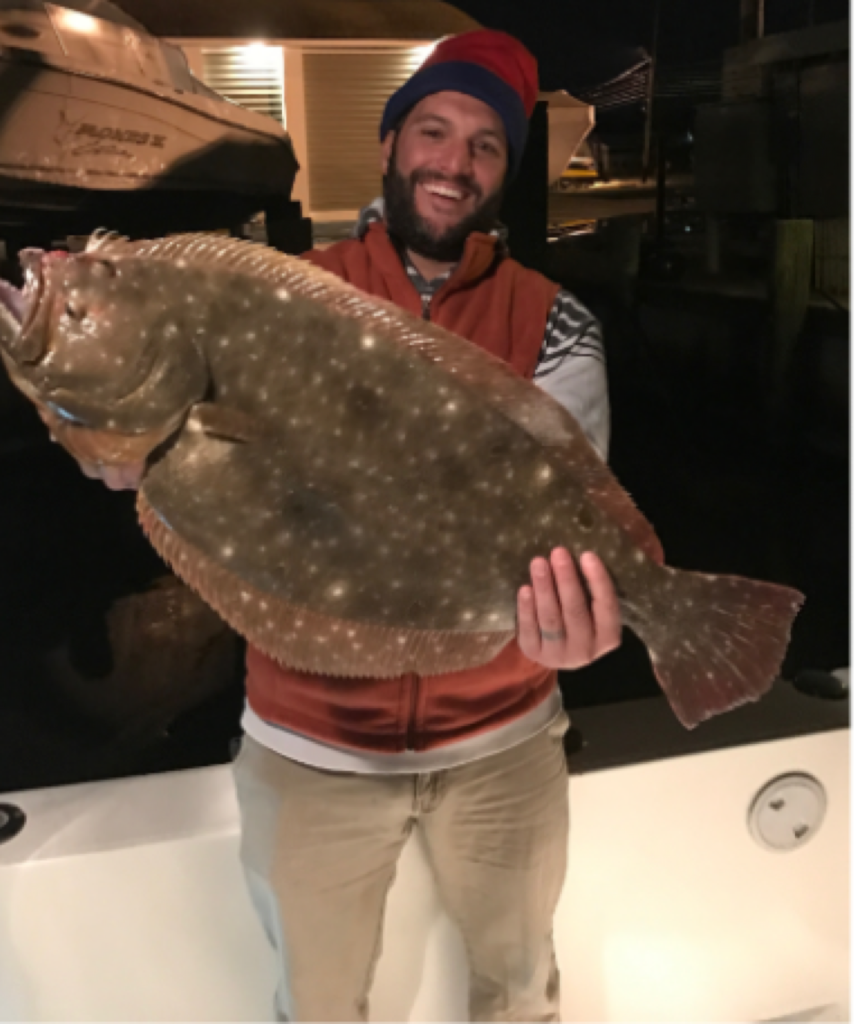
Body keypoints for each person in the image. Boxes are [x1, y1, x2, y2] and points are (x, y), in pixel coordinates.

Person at [74, 29, 621, 1022]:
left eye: (485, 145)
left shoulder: (557, 322)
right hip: (306, 745)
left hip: (502, 741)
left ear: (504, 172)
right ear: (388, 143)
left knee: (521, 995)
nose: (453, 163)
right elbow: (169, 444)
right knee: (316, 1006)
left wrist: (580, 605)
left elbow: (558, 522)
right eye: (433, 130)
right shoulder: (276, 292)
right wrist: (117, 442)